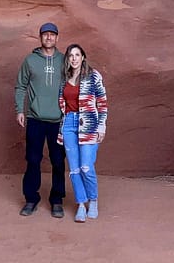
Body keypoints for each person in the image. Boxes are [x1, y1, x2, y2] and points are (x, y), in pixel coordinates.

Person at [14, 22, 66, 218]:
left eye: (53, 34)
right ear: (41, 38)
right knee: (33, 160)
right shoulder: (30, 60)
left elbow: (75, 82)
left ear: (57, 38)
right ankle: (31, 199)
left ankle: (57, 200)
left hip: (58, 120)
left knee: (59, 161)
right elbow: (20, 86)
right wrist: (20, 110)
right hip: (35, 118)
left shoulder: (65, 60)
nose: (49, 38)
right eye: (45, 35)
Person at [58, 44, 107, 222]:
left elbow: (102, 102)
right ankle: (81, 204)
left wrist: (102, 126)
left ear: (83, 57)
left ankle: (93, 200)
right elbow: (61, 104)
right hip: (69, 124)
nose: (74, 58)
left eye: (77, 55)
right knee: (75, 168)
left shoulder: (93, 76)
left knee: (86, 166)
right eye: (71, 55)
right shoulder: (65, 78)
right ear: (68, 59)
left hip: (89, 124)